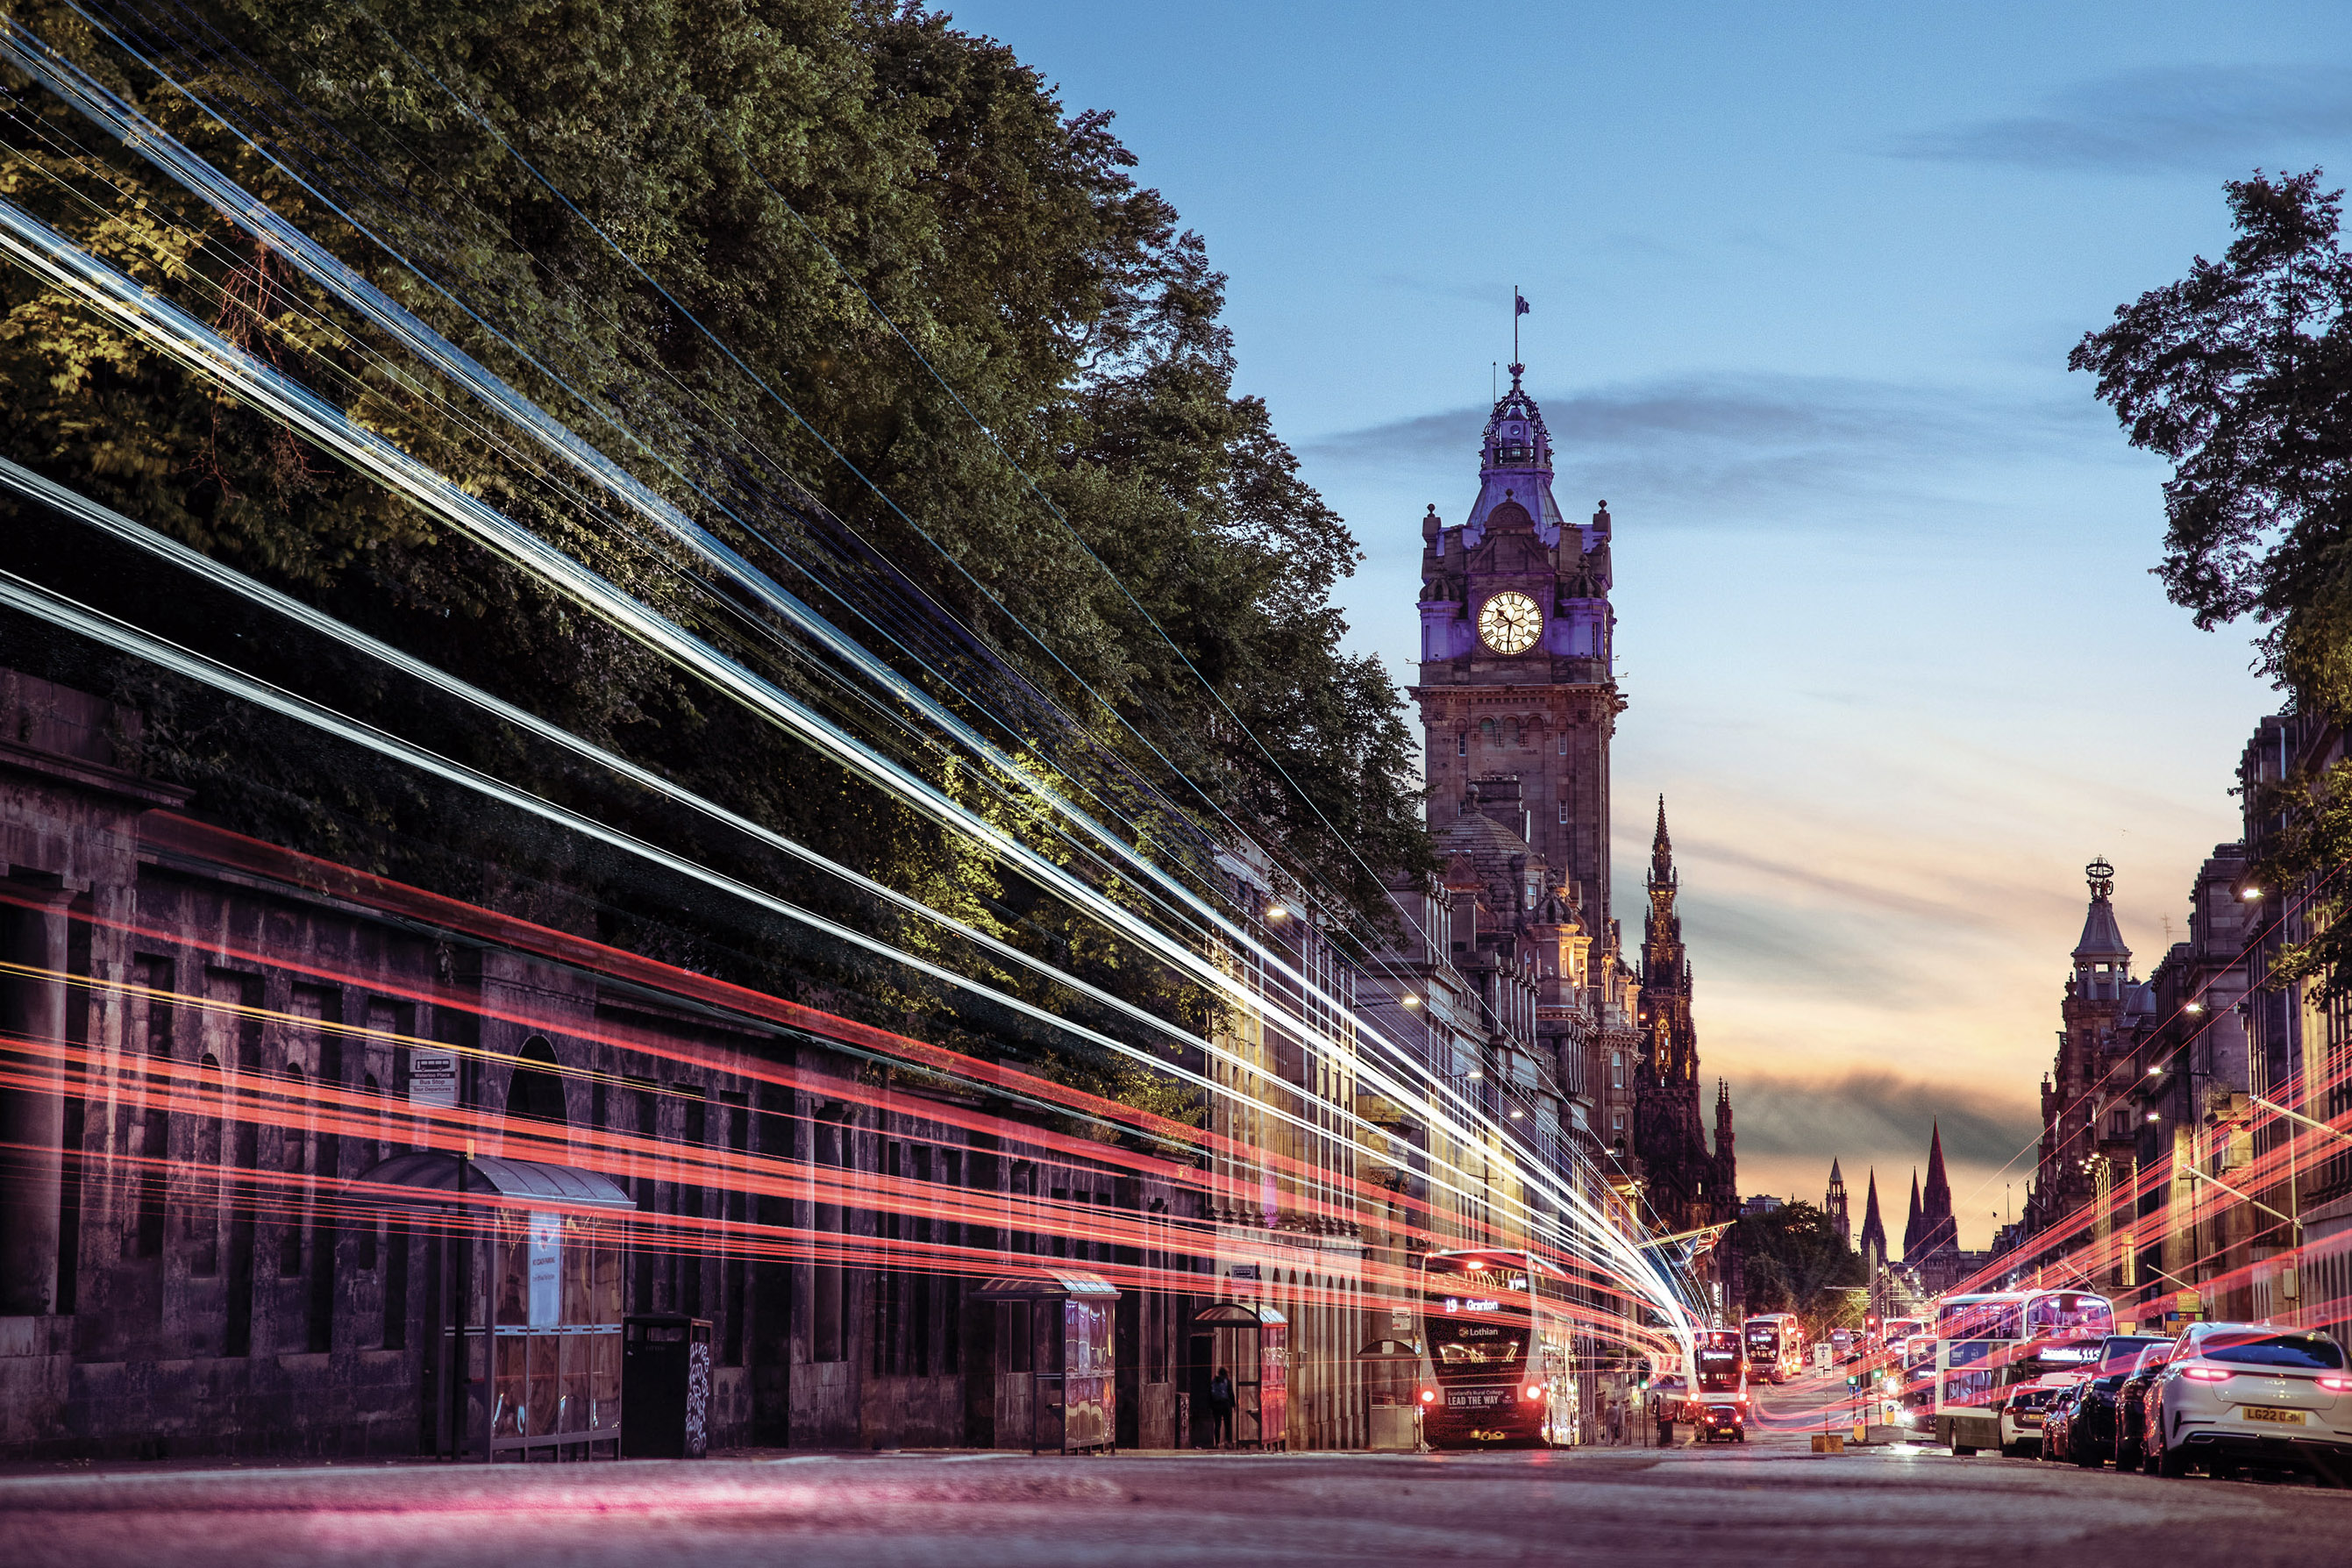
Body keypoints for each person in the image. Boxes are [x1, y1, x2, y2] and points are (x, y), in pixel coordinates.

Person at [1209, 1365, 1236, 1449]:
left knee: (1217, 1424)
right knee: (1228, 1424)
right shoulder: (1227, 1381)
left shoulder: (1214, 1381)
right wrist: (1233, 1405)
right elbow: (1231, 1393)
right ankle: (1228, 1442)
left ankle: (1217, 1443)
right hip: (1225, 1405)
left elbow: (1209, 1394)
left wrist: (1211, 1405)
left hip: (1216, 1405)